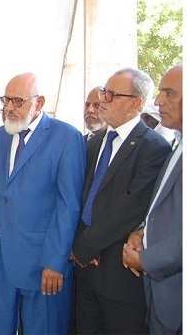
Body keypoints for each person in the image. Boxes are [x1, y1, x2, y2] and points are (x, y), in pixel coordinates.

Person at [0, 72, 86, 334]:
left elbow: (68, 205)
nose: (9, 107)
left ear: (39, 102)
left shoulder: (66, 137)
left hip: (42, 262)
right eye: (6, 100)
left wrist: (55, 261)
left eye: (18, 101)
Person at [71, 68, 171, 334]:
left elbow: (128, 209)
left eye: (112, 95)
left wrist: (82, 247)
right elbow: (79, 200)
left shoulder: (153, 147)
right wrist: (80, 247)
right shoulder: (93, 144)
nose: (102, 99)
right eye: (104, 92)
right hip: (85, 272)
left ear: (136, 103)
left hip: (120, 275)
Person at [123, 64, 182, 334]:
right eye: (160, 92)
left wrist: (147, 260)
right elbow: (164, 209)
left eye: (169, 93)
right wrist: (142, 232)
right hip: (161, 297)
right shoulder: (178, 144)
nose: (158, 101)